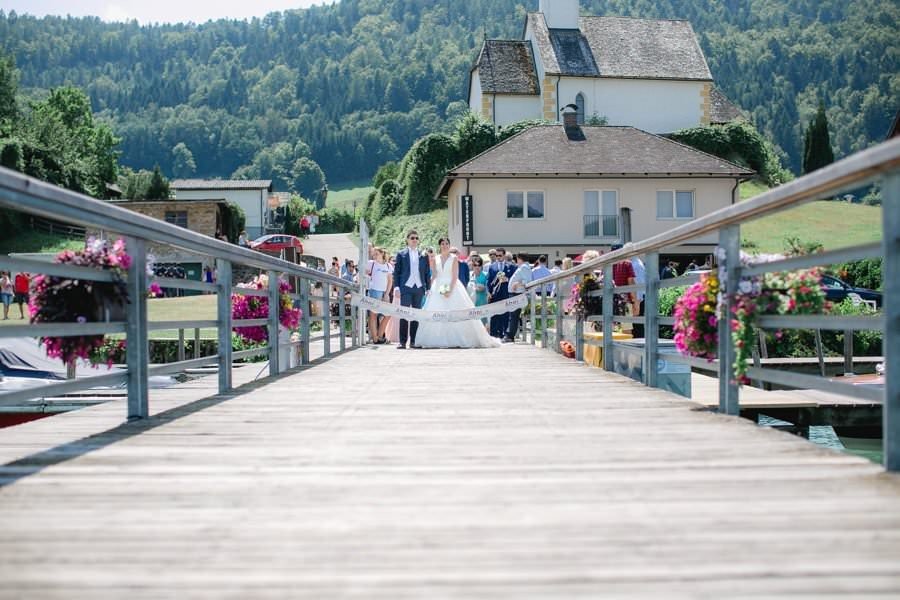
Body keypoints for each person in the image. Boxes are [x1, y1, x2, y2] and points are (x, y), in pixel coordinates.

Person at [415, 238, 500, 349]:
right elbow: (435, 275)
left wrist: (449, 289)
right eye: (442, 244)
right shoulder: (436, 259)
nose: (445, 245)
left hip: (452, 285)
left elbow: (455, 276)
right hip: (438, 286)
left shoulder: (454, 258)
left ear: (449, 245)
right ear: (439, 245)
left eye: (447, 243)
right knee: (436, 311)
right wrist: (429, 288)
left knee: (456, 311)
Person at [393, 229, 430, 349]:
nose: (414, 240)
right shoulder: (401, 254)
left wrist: (428, 288)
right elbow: (396, 272)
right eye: (412, 238)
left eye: (416, 238)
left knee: (416, 315)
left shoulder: (423, 255)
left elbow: (426, 273)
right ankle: (402, 342)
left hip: (419, 288)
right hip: (406, 287)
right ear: (407, 240)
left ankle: (413, 341)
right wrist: (396, 287)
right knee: (404, 314)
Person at [503, 253, 533, 342]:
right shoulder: (524, 267)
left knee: (513, 316)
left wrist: (517, 283)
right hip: (515, 293)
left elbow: (527, 281)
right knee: (513, 315)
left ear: (520, 259)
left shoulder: (524, 267)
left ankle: (510, 335)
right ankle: (510, 335)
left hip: (517, 294)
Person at [365, 247, 393, 344]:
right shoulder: (371, 263)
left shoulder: (388, 266)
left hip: (384, 293)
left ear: (382, 254)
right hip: (374, 291)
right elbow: (363, 274)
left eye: (377, 253)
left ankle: (380, 335)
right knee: (373, 315)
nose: (375, 255)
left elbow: (390, 281)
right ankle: (375, 338)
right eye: (374, 254)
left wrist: (387, 294)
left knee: (388, 314)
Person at [486, 246, 515, 338]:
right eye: (496, 255)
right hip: (495, 295)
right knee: (495, 314)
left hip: (506, 293)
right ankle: (494, 334)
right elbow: (489, 281)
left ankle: (505, 333)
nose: (498, 257)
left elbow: (514, 279)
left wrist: (507, 279)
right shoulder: (492, 267)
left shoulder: (511, 266)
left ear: (504, 255)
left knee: (506, 314)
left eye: (500, 255)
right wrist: (488, 292)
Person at [467, 255, 489, 329]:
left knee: (482, 323)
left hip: (482, 302)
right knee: (472, 323)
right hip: (471, 302)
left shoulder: (486, 275)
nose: (477, 267)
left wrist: (484, 288)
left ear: (481, 266)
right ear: (472, 266)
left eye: (479, 265)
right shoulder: (469, 275)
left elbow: (489, 288)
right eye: (475, 265)